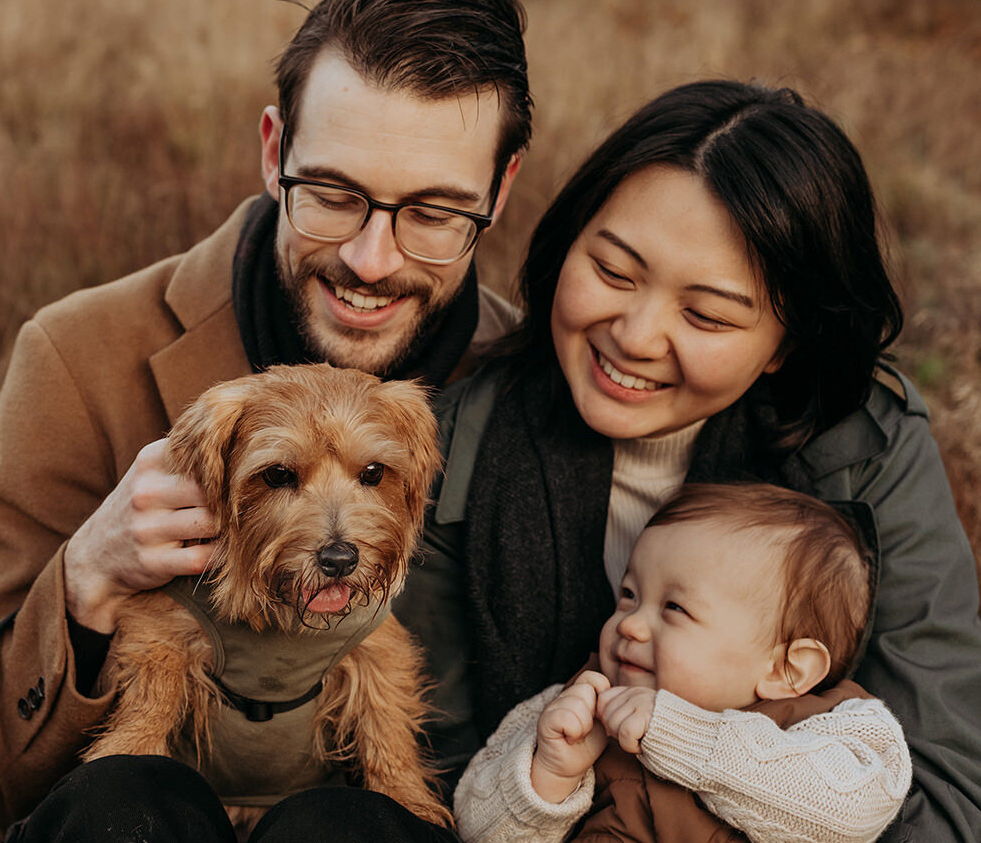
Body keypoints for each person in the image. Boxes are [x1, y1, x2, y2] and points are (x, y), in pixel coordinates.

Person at [0, 1, 531, 840]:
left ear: (500, 191)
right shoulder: (78, 354)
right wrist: (87, 579)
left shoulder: (531, 386)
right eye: (330, 192)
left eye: (434, 213)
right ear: (273, 150)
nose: (371, 260)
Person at [399, 79, 981, 841]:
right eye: (612, 271)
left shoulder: (860, 447)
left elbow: (942, 788)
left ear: (786, 345)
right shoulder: (456, 448)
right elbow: (438, 776)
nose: (636, 335)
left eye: (705, 314)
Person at [454, 482, 913, 842]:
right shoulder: (573, 710)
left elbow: (855, 812)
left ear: (785, 670)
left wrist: (683, 735)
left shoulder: (836, 727)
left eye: (674, 608)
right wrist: (549, 775)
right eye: (629, 596)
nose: (630, 625)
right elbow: (473, 826)